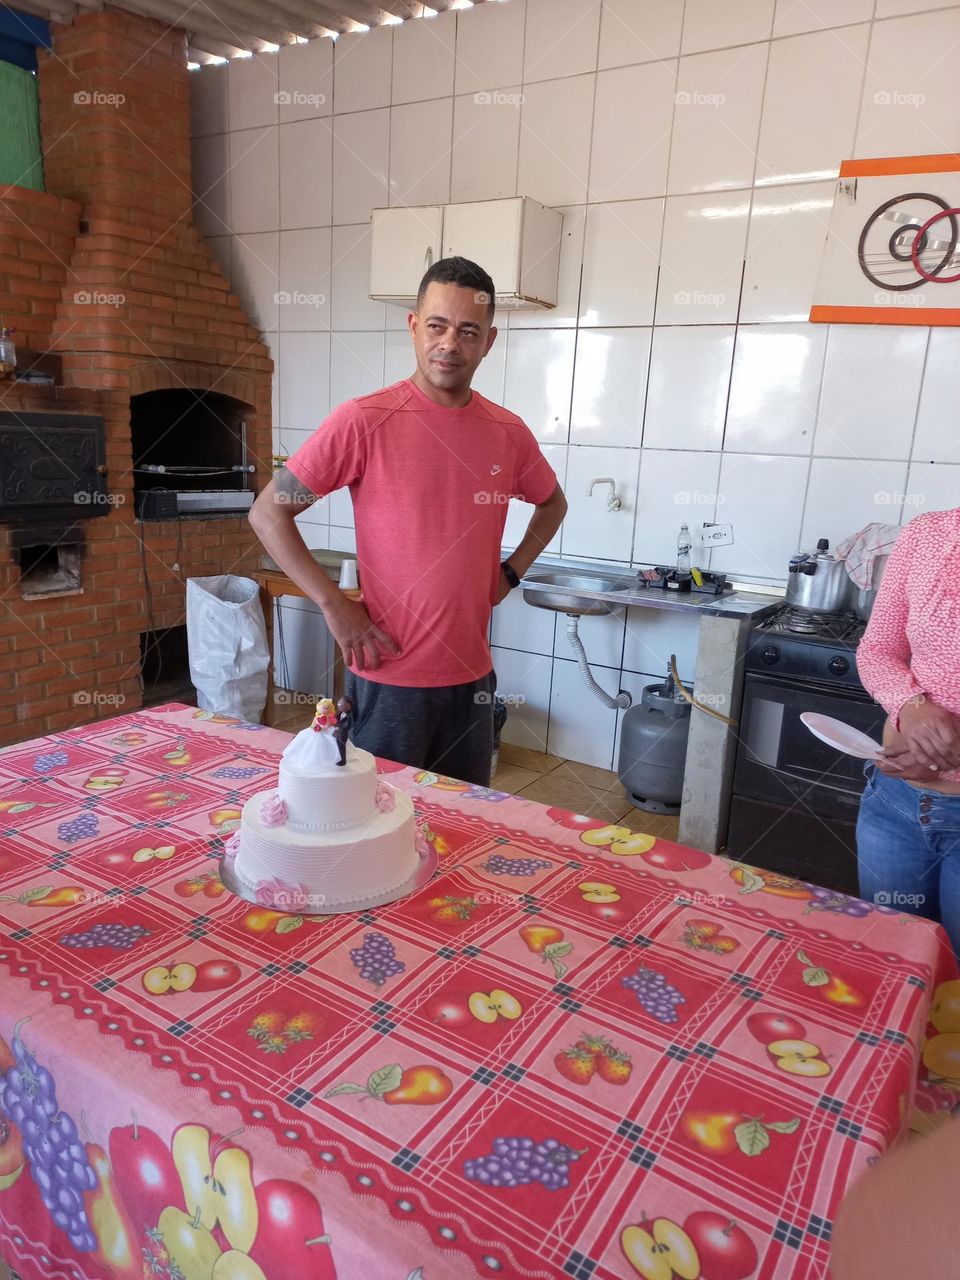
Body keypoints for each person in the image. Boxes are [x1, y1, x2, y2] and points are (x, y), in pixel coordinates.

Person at [249, 256, 567, 786]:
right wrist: (333, 605)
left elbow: (552, 503)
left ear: (489, 342)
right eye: (437, 326)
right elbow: (267, 512)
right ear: (414, 326)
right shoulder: (365, 419)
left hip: (471, 680)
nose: (450, 344)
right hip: (387, 674)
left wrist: (511, 572)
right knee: (379, 815)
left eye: (468, 331)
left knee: (463, 817)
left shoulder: (507, 433)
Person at [855, 506, 960, 953]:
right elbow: (878, 649)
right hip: (894, 805)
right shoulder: (928, 533)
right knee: (891, 958)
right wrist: (910, 705)